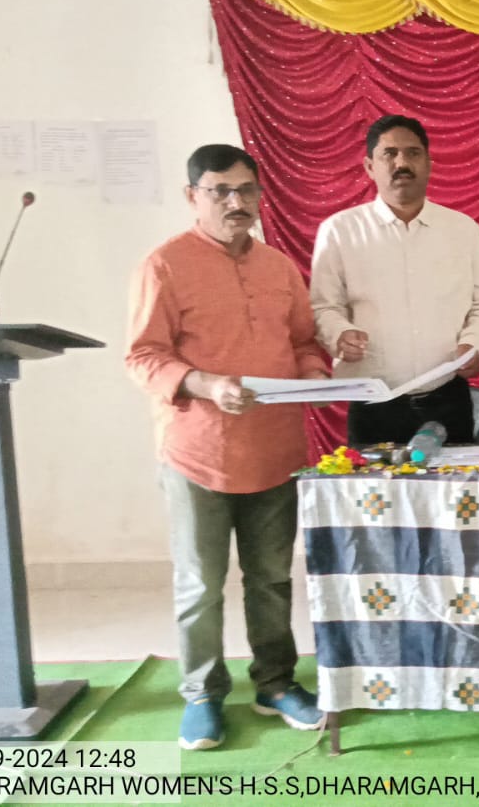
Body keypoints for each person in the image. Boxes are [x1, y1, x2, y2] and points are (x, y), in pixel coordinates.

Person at [126, 144, 327, 750]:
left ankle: (275, 683)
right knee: (200, 585)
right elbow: (143, 356)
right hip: (198, 454)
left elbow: (304, 343)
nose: (236, 202)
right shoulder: (164, 265)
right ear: (193, 197)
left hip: (275, 450)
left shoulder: (280, 267)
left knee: (271, 578)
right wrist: (207, 384)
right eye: (220, 191)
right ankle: (202, 694)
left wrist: (317, 375)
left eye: (246, 190)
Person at [309, 116, 479, 446]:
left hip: (447, 400)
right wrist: (339, 334)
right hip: (374, 405)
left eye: (413, 153)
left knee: (457, 483)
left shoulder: (462, 229)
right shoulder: (340, 231)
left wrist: (476, 342)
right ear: (370, 166)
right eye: (389, 154)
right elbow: (323, 307)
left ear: (429, 164)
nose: (401, 163)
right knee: (372, 484)